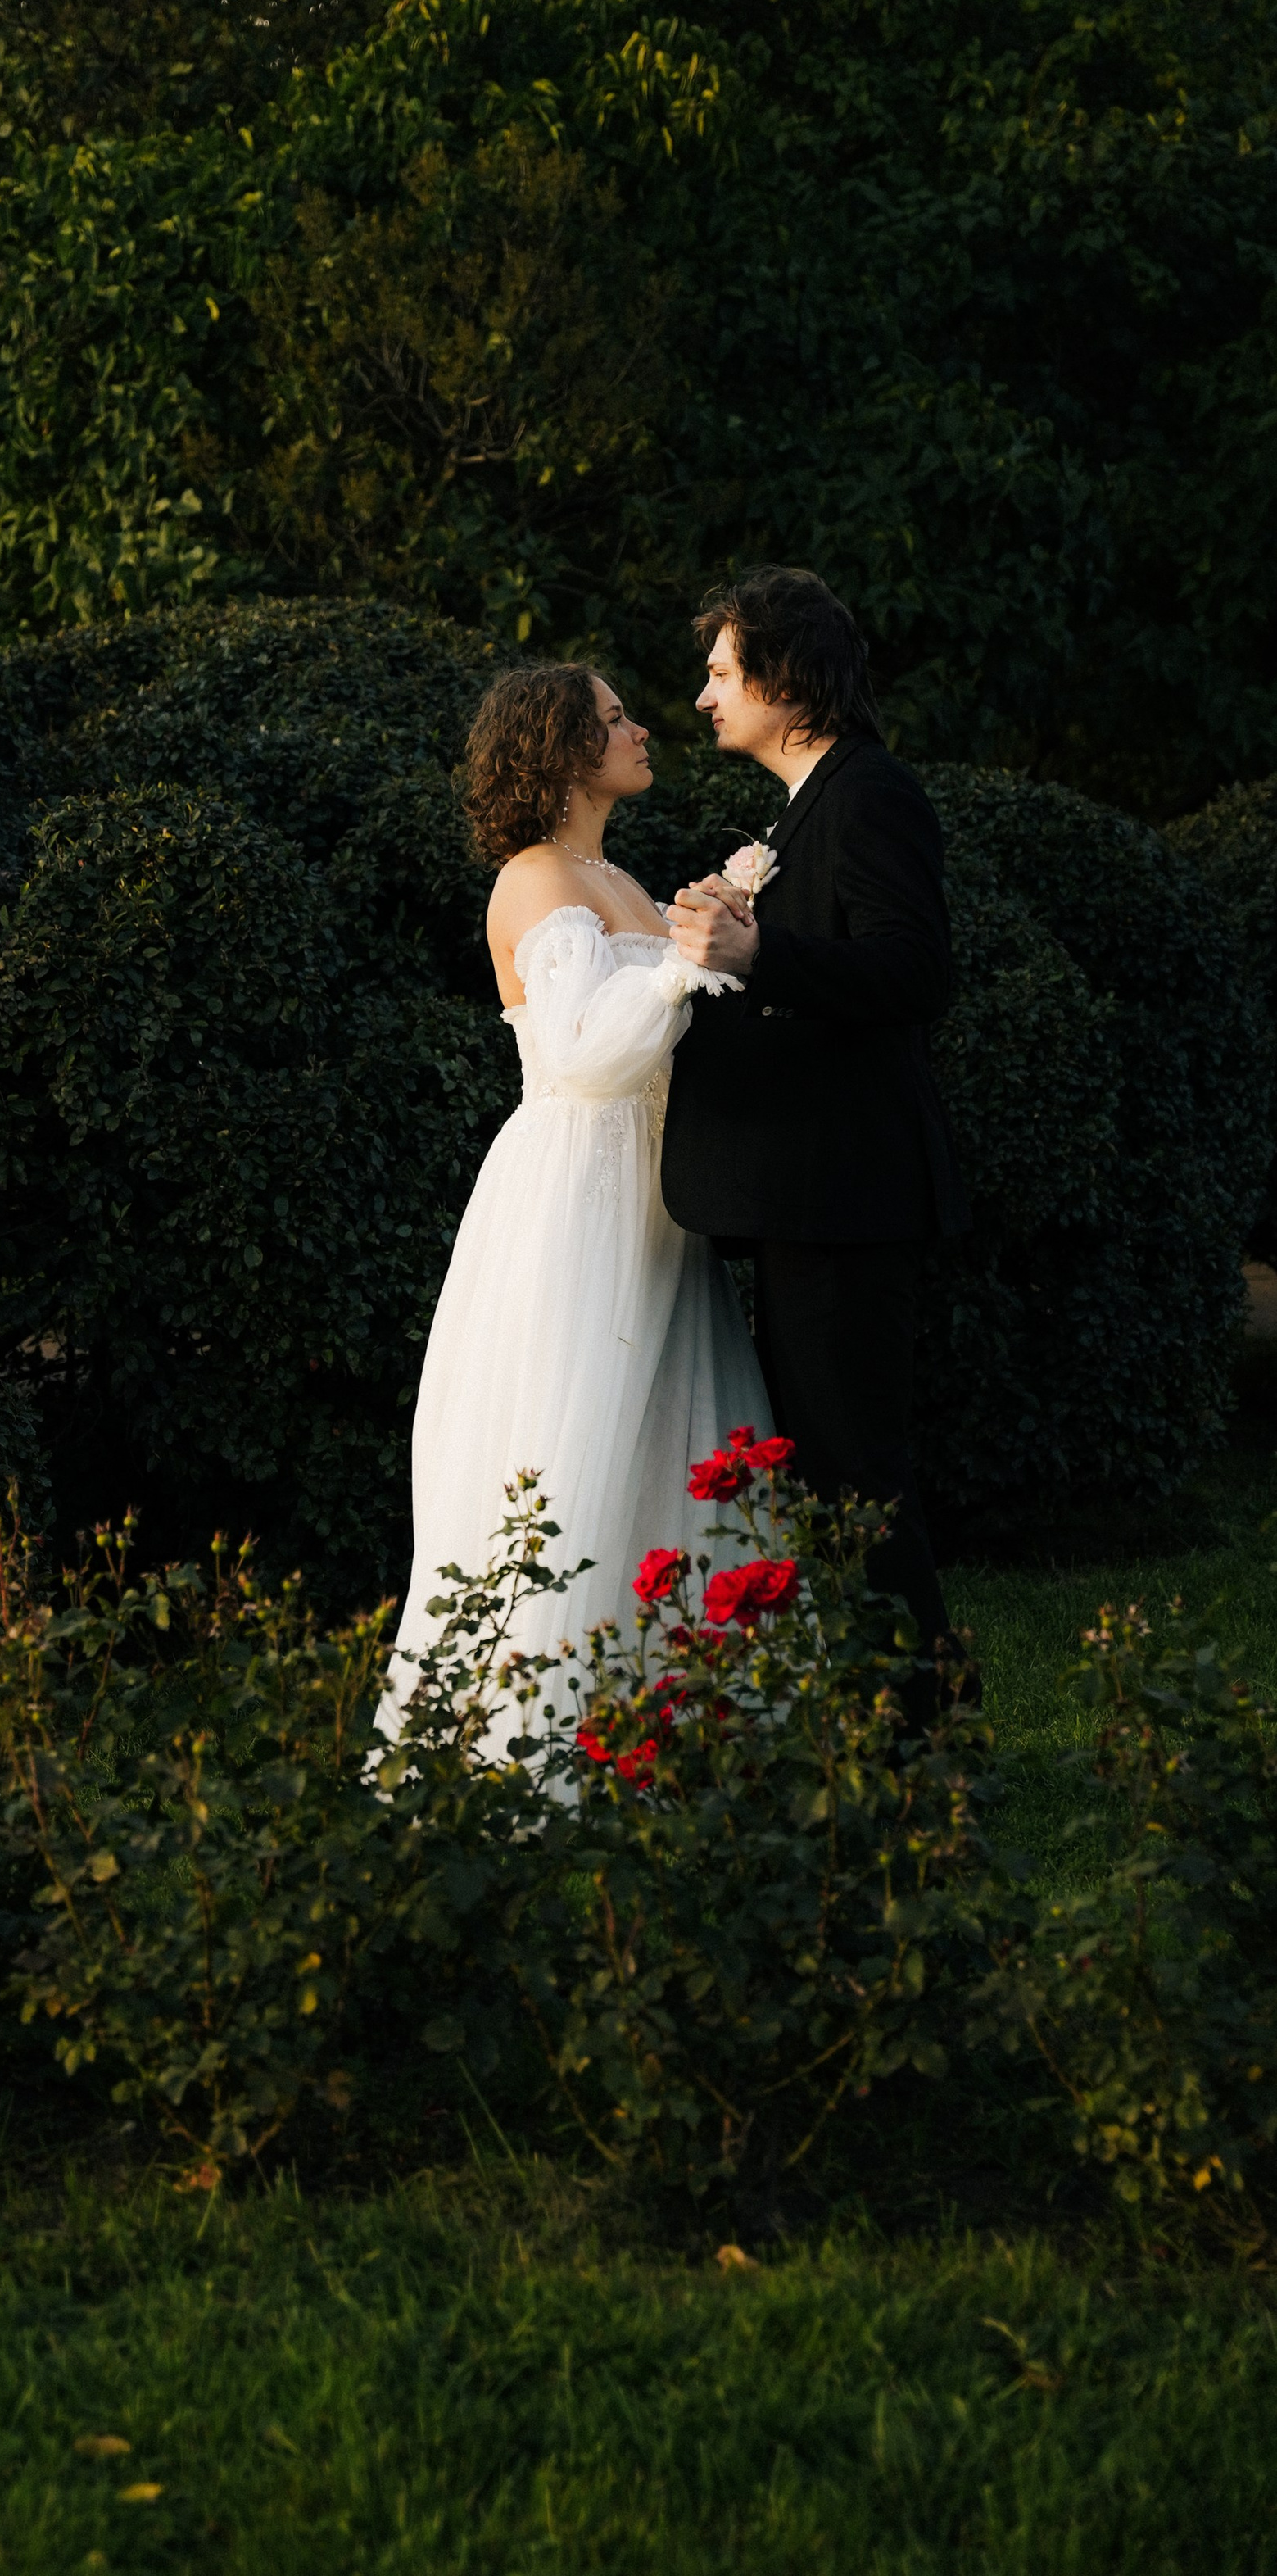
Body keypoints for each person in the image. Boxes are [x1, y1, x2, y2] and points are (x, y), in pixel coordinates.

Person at [386, 662, 770, 1754]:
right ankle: (533, 1740)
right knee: (571, 1442)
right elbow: (582, 1054)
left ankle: (672, 1725)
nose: (642, 728)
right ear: (559, 751)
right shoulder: (532, 880)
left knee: (662, 1435)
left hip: (654, 1199)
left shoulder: (623, 881)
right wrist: (677, 972)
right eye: (614, 720)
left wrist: (712, 943)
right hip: (577, 1196)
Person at [661, 567, 971, 1681]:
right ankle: (880, 1719)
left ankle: (918, 1738)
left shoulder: (870, 792)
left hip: (850, 1196)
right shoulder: (813, 804)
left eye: (721, 673)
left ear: (787, 682)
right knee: (838, 1479)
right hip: (812, 1196)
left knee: (860, 1478)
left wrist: (760, 954)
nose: (703, 697)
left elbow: (915, 969)